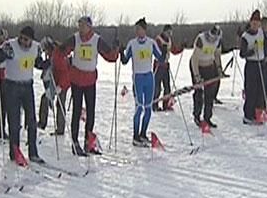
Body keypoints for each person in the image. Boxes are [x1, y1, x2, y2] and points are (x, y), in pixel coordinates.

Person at [59, 16, 119, 156]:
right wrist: (61, 55)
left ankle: (88, 141)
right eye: (79, 25)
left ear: (89, 27)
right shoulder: (75, 38)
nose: (80, 28)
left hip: (90, 80)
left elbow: (110, 55)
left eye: (83, 26)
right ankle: (74, 141)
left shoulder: (96, 40)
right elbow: (62, 50)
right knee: (77, 111)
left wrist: (116, 49)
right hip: (76, 79)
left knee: (90, 112)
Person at [2, 24, 45, 163]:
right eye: (21, 38)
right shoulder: (10, 46)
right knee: (14, 122)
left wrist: (45, 64)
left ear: (31, 40)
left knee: (31, 121)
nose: (23, 41)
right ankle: (15, 152)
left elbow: (37, 63)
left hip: (27, 86)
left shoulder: (36, 47)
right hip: (12, 85)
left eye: (26, 39)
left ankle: (33, 152)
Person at [121, 18, 163, 146]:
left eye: (139, 29)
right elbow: (124, 60)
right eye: (136, 29)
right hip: (138, 78)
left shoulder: (151, 43)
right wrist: (120, 51)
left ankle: (143, 133)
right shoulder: (132, 44)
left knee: (148, 108)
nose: (137, 31)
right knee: (139, 107)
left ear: (144, 30)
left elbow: (160, 57)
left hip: (149, 77)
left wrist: (164, 49)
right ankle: (135, 136)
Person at [240, 10, 267, 124]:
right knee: (251, 91)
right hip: (251, 65)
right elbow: (242, 53)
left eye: (258, 23)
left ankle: (258, 114)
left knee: (260, 90)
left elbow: (266, 45)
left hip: (261, 63)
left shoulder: (261, 32)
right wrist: (251, 51)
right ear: (250, 22)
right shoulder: (246, 36)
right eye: (254, 23)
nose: (256, 25)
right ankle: (248, 115)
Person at [190, 25, 223, 128]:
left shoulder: (218, 41)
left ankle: (207, 118)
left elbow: (217, 55)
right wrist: (197, 76)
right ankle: (197, 115)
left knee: (210, 93)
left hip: (210, 66)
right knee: (199, 92)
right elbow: (194, 60)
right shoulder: (201, 39)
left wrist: (219, 69)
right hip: (198, 66)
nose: (213, 40)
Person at [38, 37, 70, 136]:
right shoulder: (51, 56)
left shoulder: (58, 56)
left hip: (63, 84)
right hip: (54, 82)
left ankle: (60, 129)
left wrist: (60, 86)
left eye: (45, 50)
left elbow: (65, 73)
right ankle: (42, 122)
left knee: (60, 104)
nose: (45, 52)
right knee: (45, 99)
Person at [152, 24, 182, 111]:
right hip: (158, 65)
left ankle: (166, 104)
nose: (169, 34)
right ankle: (154, 104)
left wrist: (181, 47)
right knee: (157, 87)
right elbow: (156, 50)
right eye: (168, 32)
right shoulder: (158, 39)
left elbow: (173, 50)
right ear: (164, 32)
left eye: (171, 33)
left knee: (167, 86)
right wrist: (162, 50)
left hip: (165, 65)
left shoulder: (169, 40)